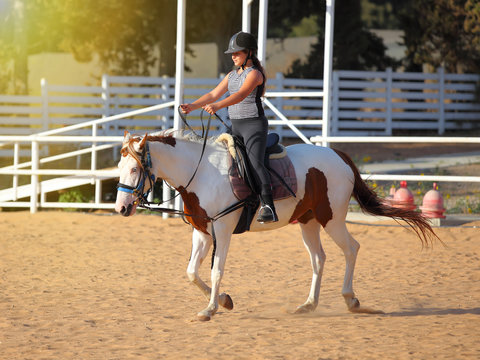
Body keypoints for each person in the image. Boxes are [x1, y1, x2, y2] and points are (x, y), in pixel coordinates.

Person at [180, 31, 278, 224]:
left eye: (237, 53)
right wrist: (193, 105)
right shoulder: (232, 75)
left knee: (255, 162)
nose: (233, 56)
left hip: (253, 126)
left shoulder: (255, 74)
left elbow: (241, 95)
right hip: (236, 126)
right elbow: (213, 94)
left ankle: (269, 206)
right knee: (217, 155)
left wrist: (218, 106)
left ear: (249, 53)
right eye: (232, 53)